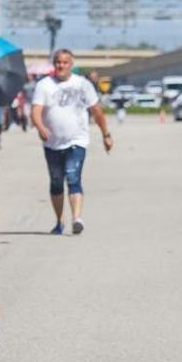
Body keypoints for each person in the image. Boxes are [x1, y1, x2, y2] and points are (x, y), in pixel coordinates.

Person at [30, 49, 113, 235]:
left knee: (73, 177)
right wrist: (41, 127)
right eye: (58, 62)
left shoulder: (83, 85)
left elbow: (97, 112)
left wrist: (106, 134)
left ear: (71, 64)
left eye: (65, 62)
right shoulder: (44, 85)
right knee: (56, 183)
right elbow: (35, 111)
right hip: (52, 143)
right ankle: (59, 221)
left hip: (77, 140)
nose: (61, 65)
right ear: (54, 64)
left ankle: (77, 218)